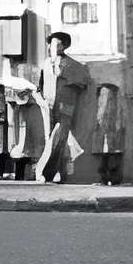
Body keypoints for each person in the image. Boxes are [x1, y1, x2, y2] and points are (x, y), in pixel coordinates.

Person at [35, 32, 90, 183]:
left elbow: (81, 84)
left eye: (56, 44)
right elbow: (39, 85)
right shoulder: (46, 64)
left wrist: (63, 75)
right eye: (51, 44)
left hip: (65, 108)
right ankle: (59, 173)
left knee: (58, 140)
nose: (52, 47)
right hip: (48, 108)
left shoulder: (72, 64)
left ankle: (47, 172)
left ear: (64, 46)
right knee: (51, 140)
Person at [5, 78, 46, 181]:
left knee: (24, 156)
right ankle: (22, 176)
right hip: (23, 135)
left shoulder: (33, 106)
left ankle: (24, 176)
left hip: (27, 136)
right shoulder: (28, 105)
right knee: (22, 156)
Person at [92, 82, 126, 186]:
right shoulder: (112, 94)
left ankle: (109, 178)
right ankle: (108, 178)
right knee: (108, 152)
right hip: (109, 128)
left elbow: (101, 111)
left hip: (110, 127)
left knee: (110, 152)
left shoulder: (110, 94)